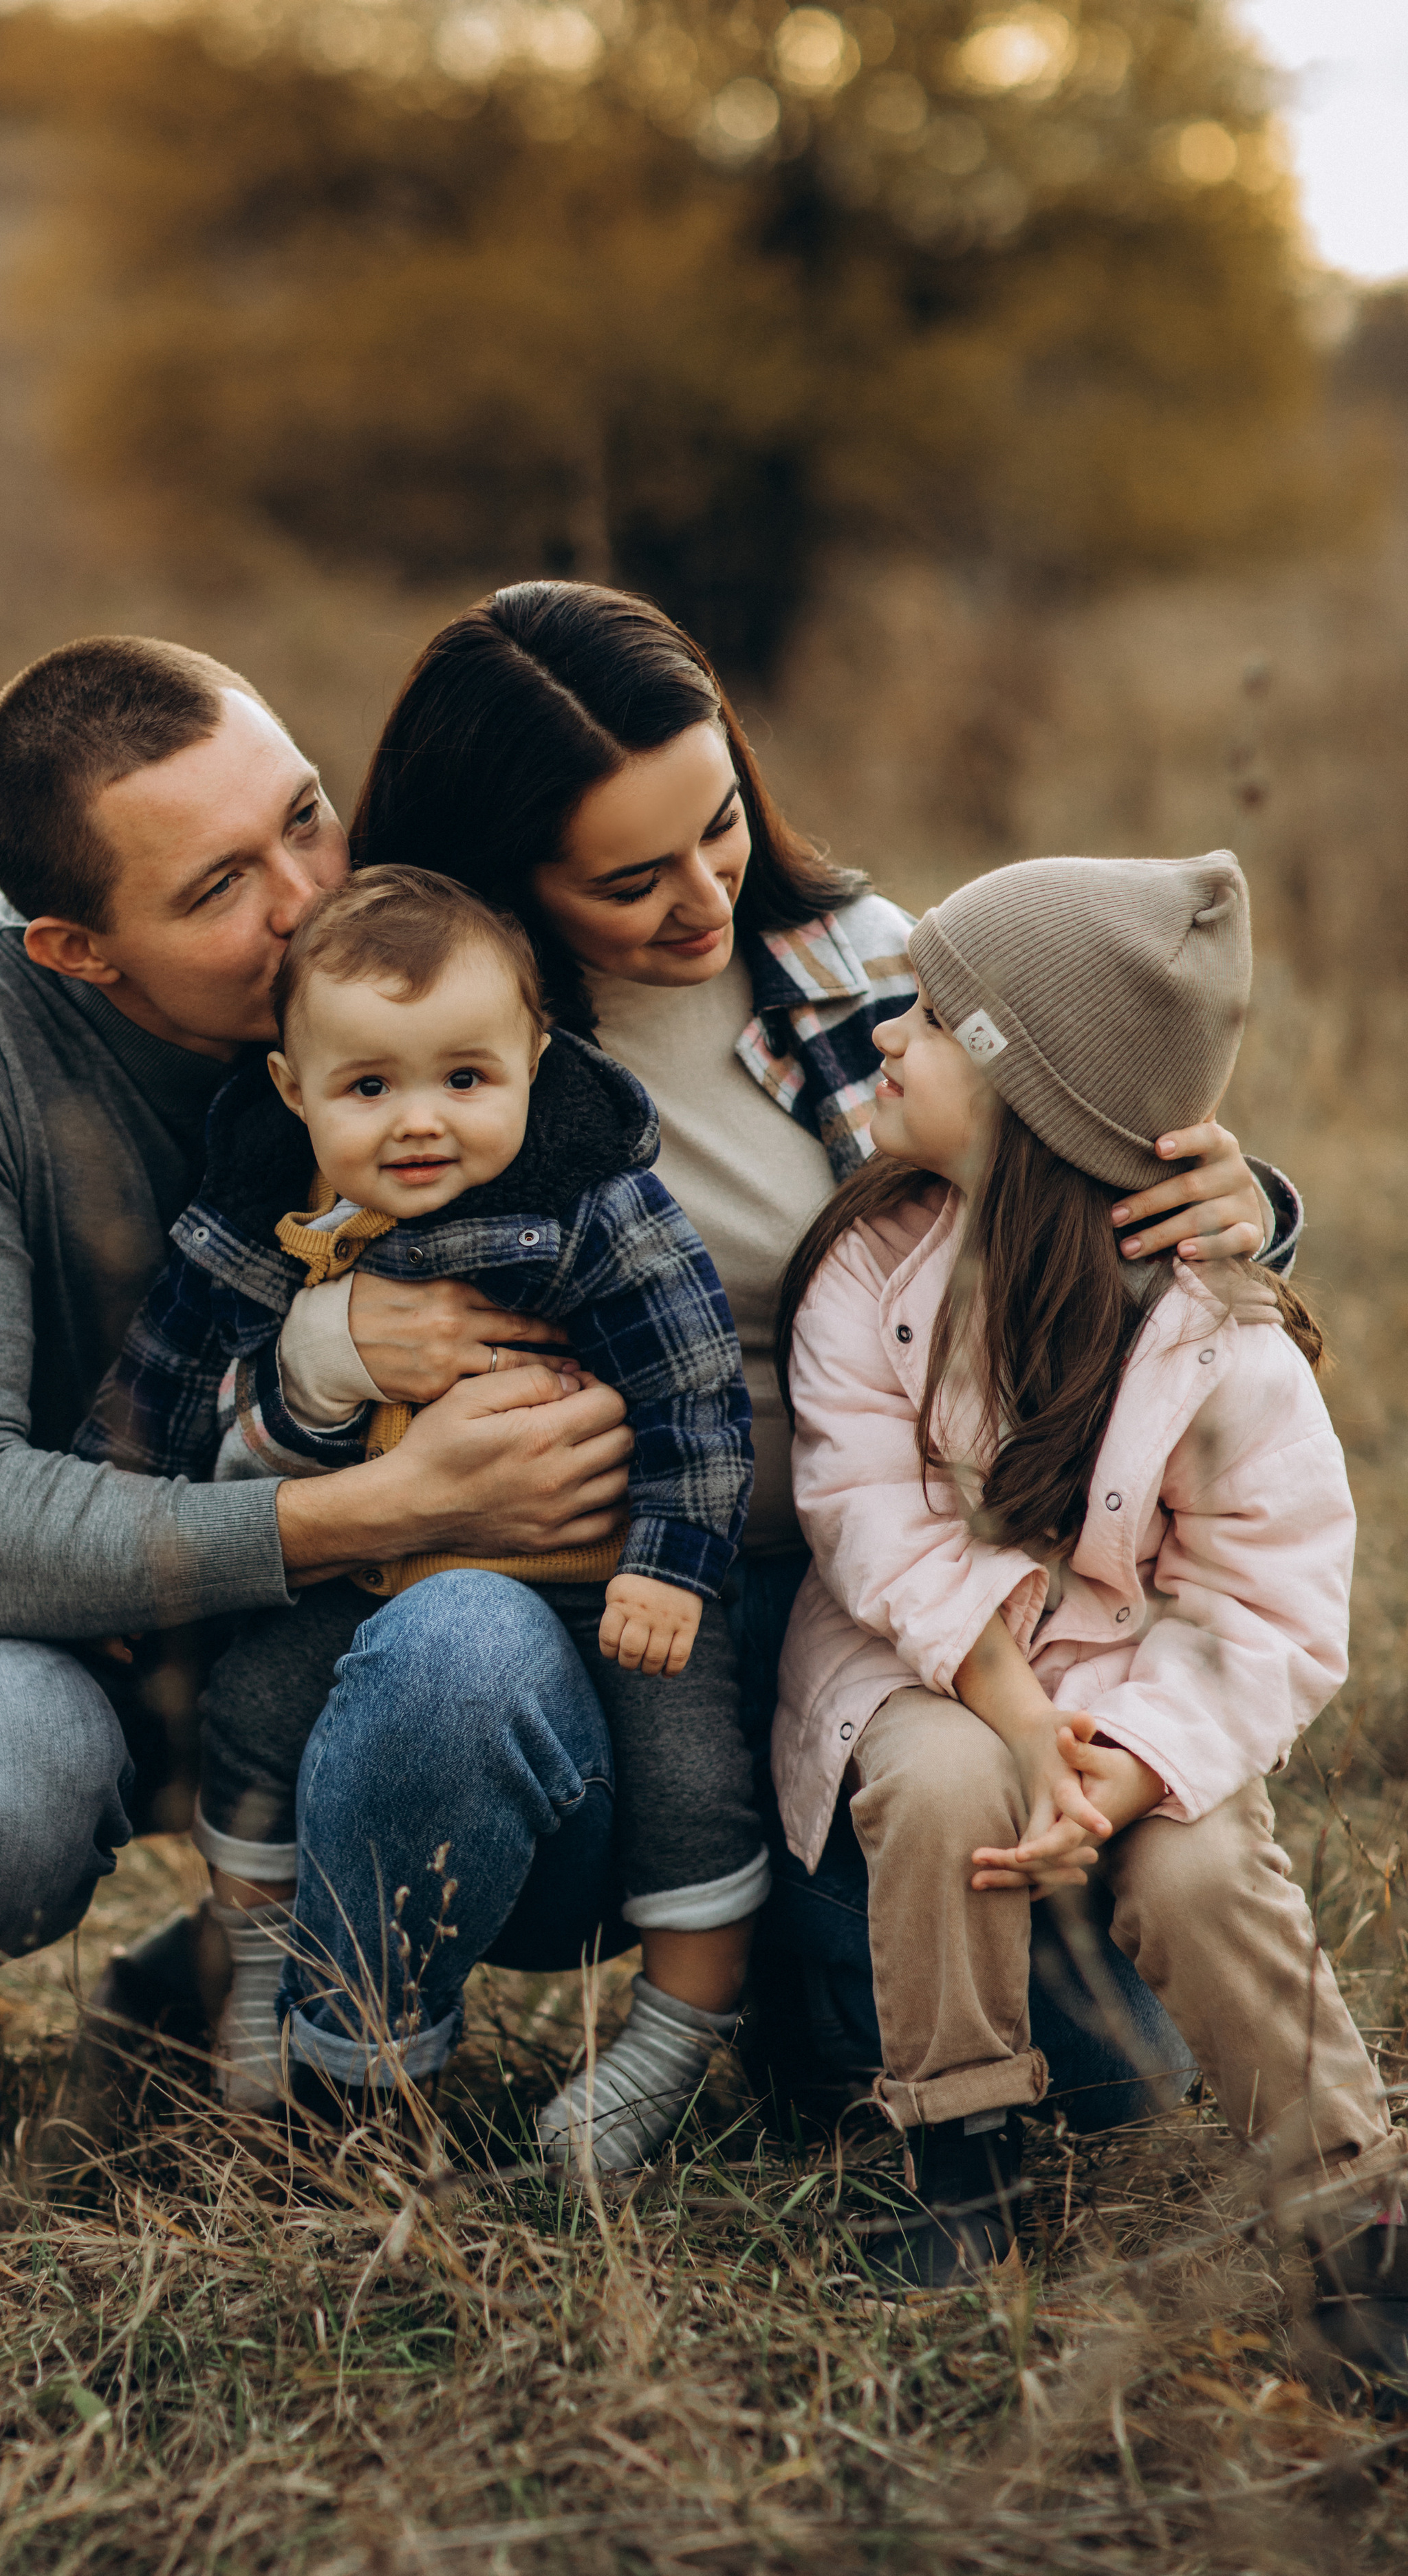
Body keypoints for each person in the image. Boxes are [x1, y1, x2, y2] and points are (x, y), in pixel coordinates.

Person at [262, 580, 1291, 2129]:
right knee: (445, 1670)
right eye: (630, 878)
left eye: (720, 824)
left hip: (889, 1604)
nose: (703, 897)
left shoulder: (863, 962)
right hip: (589, 1612)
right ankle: (338, 2078)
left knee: (1097, 2091)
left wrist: (1237, 1209)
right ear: (508, 875)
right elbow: (226, 1366)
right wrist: (330, 1342)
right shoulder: (407, 1040)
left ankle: (781, 1990)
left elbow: (1066, 1163)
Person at [0, 637, 635, 2218]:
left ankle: (212, 1986)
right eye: (213, 890)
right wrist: (395, 1504)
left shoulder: (391, 971)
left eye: (305, 820)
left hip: (232, 1603)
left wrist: (1148, 1181)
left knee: (557, 1736)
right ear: (74, 947)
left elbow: (733, 918)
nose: (303, 896)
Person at [772, 849, 1408, 2377]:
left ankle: (1346, 2221)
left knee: (1200, 1876)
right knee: (939, 1788)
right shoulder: (868, 1270)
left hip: (1137, 1708)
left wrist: (1118, 1764)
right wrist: (1015, 1722)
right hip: (925, 1666)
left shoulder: (1216, 1339)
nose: (882, 1036)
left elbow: (1261, 1603)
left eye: (929, 1018)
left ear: (1030, 1098)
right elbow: (866, 1517)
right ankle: (959, 2157)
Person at [77, 865, 763, 2168]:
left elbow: (696, 1391)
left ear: (533, 1058)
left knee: (693, 1778)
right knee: (256, 1714)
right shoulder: (272, 1212)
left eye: (465, 1078)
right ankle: (267, 1980)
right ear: (294, 1091)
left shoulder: (589, 1200)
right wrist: (115, 1561)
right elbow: (161, 1374)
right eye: (368, 1087)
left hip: (607, 1578)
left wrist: (674, 1568)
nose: (420, 1125)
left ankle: (678, 2030)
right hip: (367, 1568)